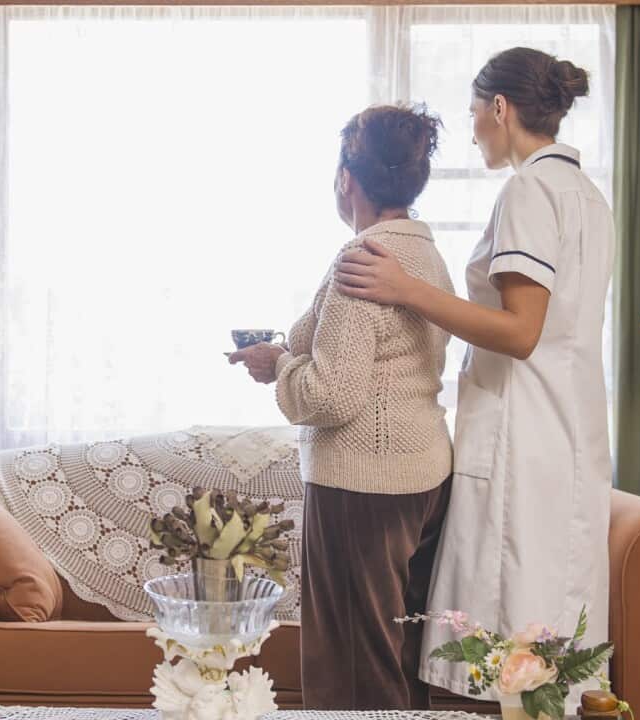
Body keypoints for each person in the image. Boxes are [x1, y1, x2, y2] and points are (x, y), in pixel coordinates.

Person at [334, 48, 615, 712]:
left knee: (502, 638)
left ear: (500, 108)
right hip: (565, 432)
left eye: (473, 115)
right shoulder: (586, 194)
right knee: (553, 633)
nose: (472, 131)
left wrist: (405, 289)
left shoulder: (529, 190)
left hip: (524, 433)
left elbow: (521, 331)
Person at [229, 104, 454, 710]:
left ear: (346, 179)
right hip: (419, 473)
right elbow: (327, 341)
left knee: (353, 662)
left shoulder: (362, 260)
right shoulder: (424, 255)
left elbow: (331, 396)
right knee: (393, 651)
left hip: (364, 484)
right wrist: (278, 354)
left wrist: (278, 367)